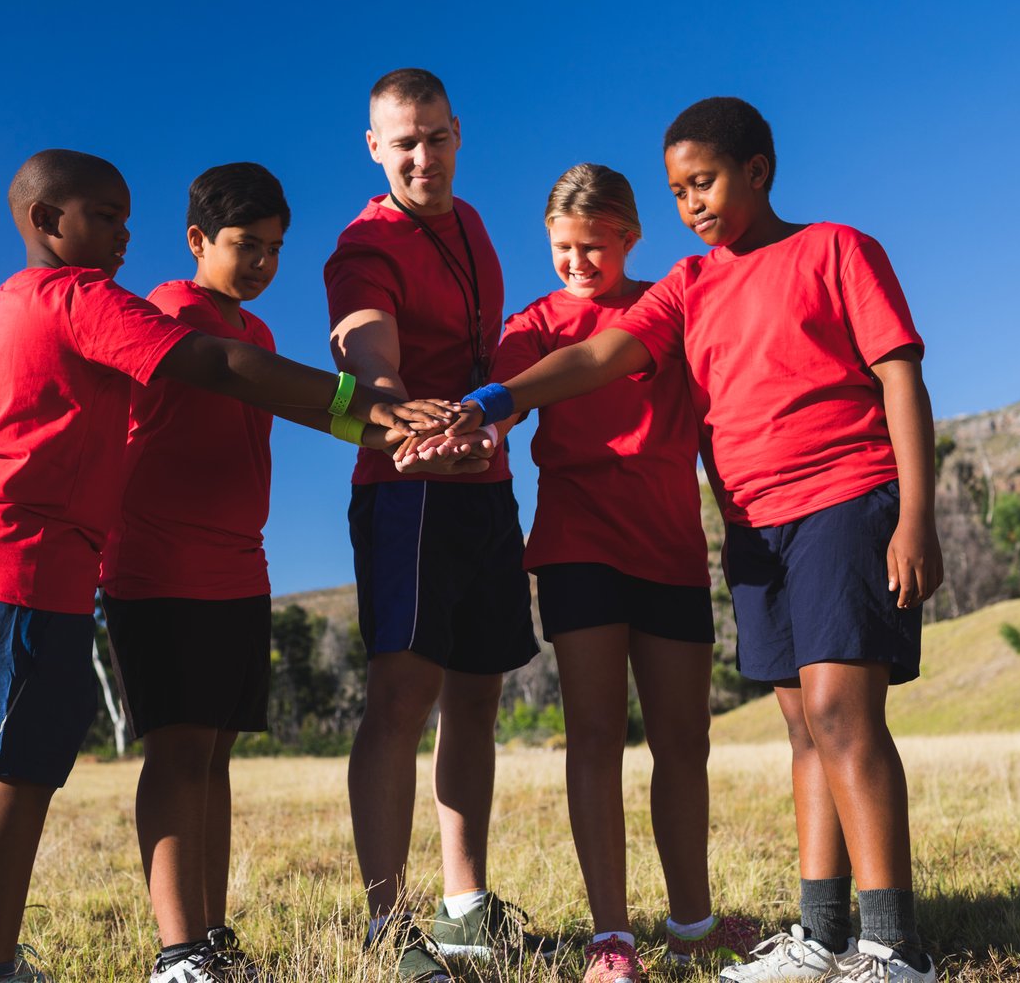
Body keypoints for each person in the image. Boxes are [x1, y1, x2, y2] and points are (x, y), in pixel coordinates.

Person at [429, 98, 943, 983]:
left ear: (759, 170)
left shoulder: (835, 249)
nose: (693, 204)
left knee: (838, 715)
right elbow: (596, 358)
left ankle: (894, 946)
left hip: (842, 497)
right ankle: (821, 936)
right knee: (799, 727)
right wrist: (490, 401)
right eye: (678, 191)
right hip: (752, 525)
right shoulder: (690, 286)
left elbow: (901, 376)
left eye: (703, 182)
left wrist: (916, 514)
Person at [0, 149, 446, 983]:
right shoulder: (116, 304)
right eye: (104, 217)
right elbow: (214, 367)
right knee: (21, 768)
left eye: (127, 220)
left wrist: (398, 434)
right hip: (75, 561)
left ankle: (185, 940)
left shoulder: (2, 312)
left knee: (176, 756)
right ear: (46, 221)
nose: (124, 236)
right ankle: (88, 958)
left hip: (118, 560)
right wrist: (370, 403)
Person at [466, 163, 755, 983]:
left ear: (630, 238)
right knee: (594, 738)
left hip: (669, 547)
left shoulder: (673, 307)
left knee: (683, 742)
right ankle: (611, 940)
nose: (579, 264)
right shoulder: (531, 326)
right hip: (575, 545)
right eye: (564, 248)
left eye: (595, 247)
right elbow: (506, 406)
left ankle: (693, 924)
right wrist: (481, 430)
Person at [323, 68, 550, 981]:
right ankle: (389, 924)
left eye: (435, 137)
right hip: (407, 486)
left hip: (485, 484)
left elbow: (492, 358)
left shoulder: (477, 225)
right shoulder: (361, 245)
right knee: (400, 701)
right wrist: (402, 415)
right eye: (403, 143)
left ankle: (465, 907)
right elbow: (369, 356)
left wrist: (495, 420)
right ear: (375, 149)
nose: (423, 157)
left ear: (459, 132)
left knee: (479, 695)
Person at [99, 162, 300, 983]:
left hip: (237, 565)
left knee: (214, 756)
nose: (260, 263)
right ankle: (177, 953)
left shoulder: (262, 337)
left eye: (275, 249)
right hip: (158, 562)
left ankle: (212, 941)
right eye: (245, 245)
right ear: (196, 241)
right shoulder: (166, 312)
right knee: (177, 753)